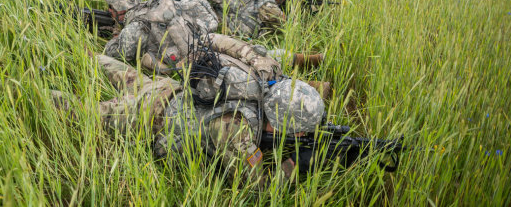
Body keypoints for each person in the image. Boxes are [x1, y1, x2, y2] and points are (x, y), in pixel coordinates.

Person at [52, 49, 327, 185]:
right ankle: (36, 93)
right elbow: (258, 189)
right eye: (300, 130)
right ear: (282, 122)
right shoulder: (236, 132)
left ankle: (75, 50)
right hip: (145, 114)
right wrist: (294, 165)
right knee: (81, 114)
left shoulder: (255, 89)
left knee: (110, 66)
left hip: (166, 88)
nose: (302, 135)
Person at [103, 0, 218, 74]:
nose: (109, 10)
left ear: (120, 9)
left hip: (182, 61)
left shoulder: (133, 29)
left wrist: (117, 35)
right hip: (200, 42)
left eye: (110, 7)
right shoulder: (155, 6)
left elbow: (119, 55)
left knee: (146, 60)